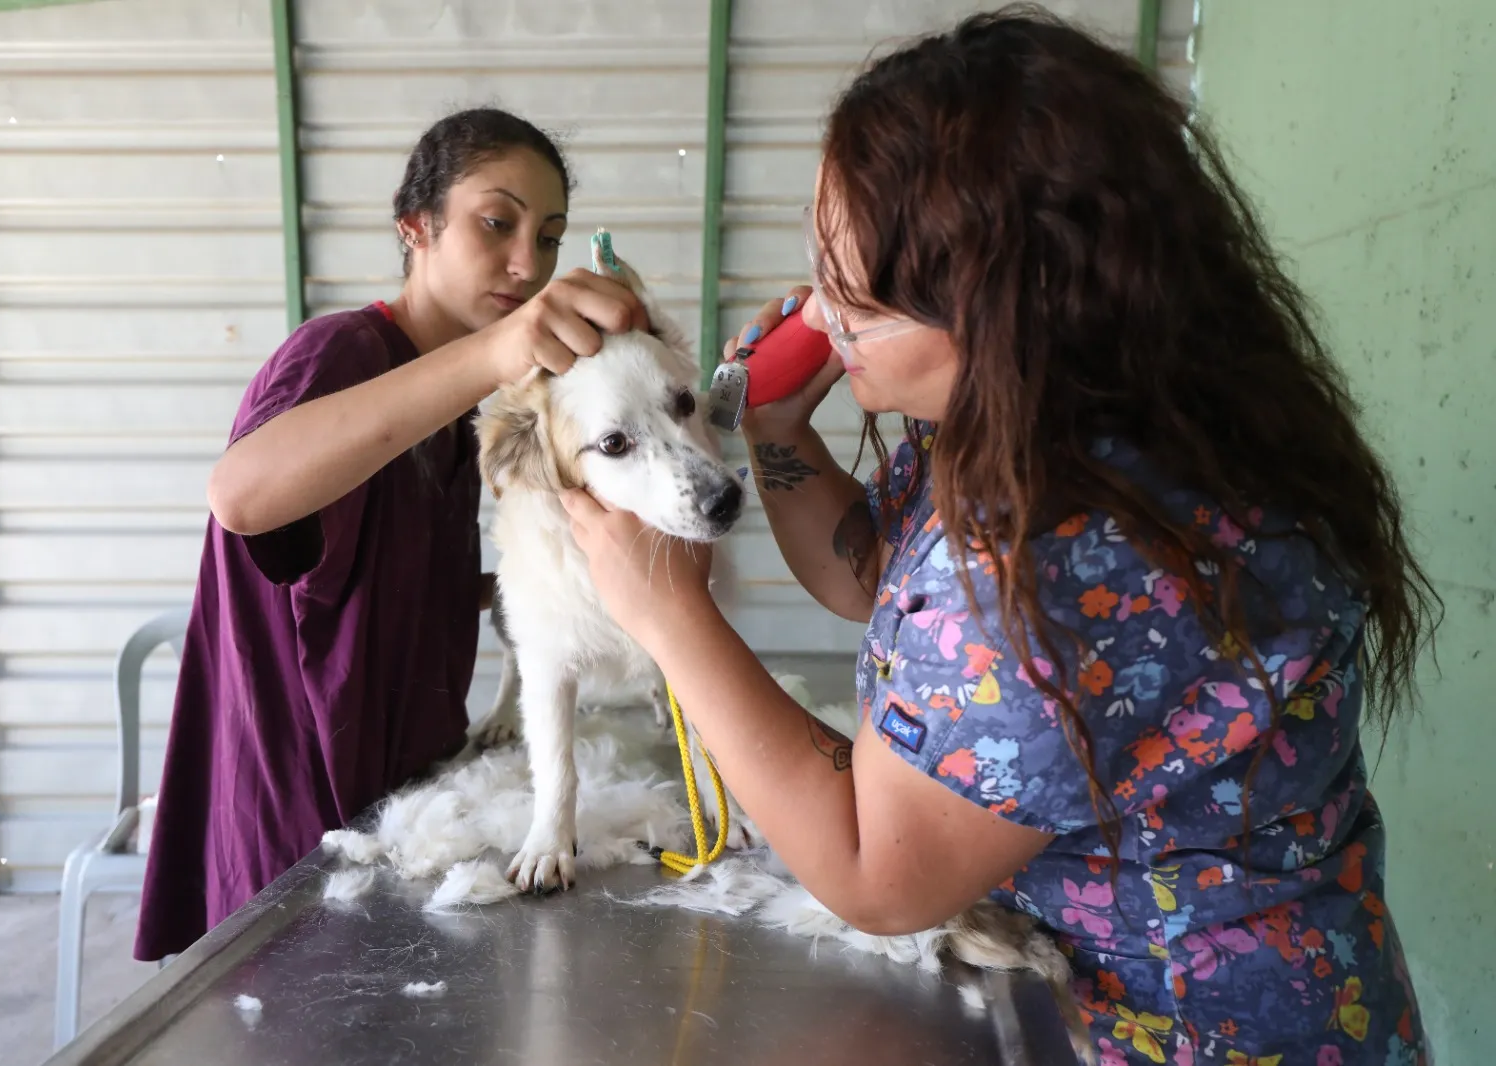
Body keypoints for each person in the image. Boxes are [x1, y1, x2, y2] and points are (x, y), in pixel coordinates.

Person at [559, 9, 1440, 1064]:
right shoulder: (1055, 422)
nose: (820, 312)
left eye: (860, 294)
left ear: (1005, 307)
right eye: (820, 261)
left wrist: (668, 613)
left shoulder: (1086, 543)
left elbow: (873, 869)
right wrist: (776, 430)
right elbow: (873, 576)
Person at [134, 108, 648, 961]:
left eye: (550, 237)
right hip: (304, 817)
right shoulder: (339, 356)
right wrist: (497, 354)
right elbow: (242, 496)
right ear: (416, 227)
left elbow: (382, 580)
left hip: (402, 799)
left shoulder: (458, 414)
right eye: (497, 223)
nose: (528, 264)